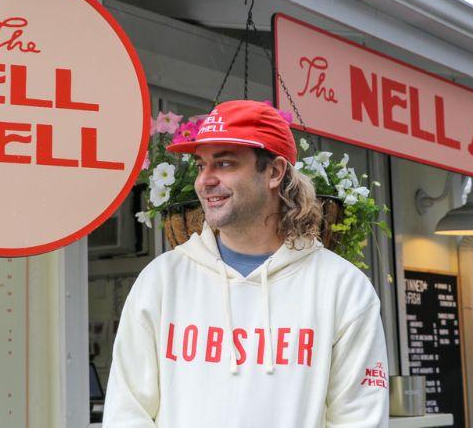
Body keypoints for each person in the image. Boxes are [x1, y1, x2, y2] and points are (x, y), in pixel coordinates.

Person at [103, 100, 389, 427]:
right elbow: (127, 412)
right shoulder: (162, 280)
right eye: (201, 166)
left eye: (224, 164)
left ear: (275, 172)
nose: (205, 180)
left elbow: (359, 418)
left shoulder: (343, 289)